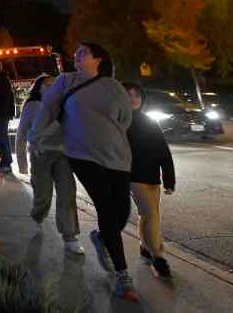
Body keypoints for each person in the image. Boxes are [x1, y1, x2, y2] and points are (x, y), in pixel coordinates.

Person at [34, 43, 136, 301]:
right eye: (77, 52)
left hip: (118, 156)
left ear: (98, 59)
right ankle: (122, 275)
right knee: (105, 206)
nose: (78, 55)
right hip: (82, 155)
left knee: (123, 210)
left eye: (84, 52)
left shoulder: (114, 86)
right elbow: (47, 108)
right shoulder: (65, 81)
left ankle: (102, 238)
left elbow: (126, 119)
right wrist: (35, 136)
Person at [16, 74, 84, 254]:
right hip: (41, 155)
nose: (49, 87)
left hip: (63, 154)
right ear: (37, 88)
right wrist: (22, 161)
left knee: (67, 194)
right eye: (45, 84)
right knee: (43, 195)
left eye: (53, 84)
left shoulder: (65, 105)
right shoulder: (31, 106)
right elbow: (22, 132)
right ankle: (37, 215)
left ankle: (70, 236)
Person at [123, 82, 175, 279]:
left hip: (153, 177)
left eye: (136, 95)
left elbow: (164, 152)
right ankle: (159, 257)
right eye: (128, 95)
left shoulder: (150, 122)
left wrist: (169, 179)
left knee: (151, 215)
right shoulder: (118, 121)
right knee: (150, 214)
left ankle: (145, 246)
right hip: (133, 177)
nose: (133, 98)